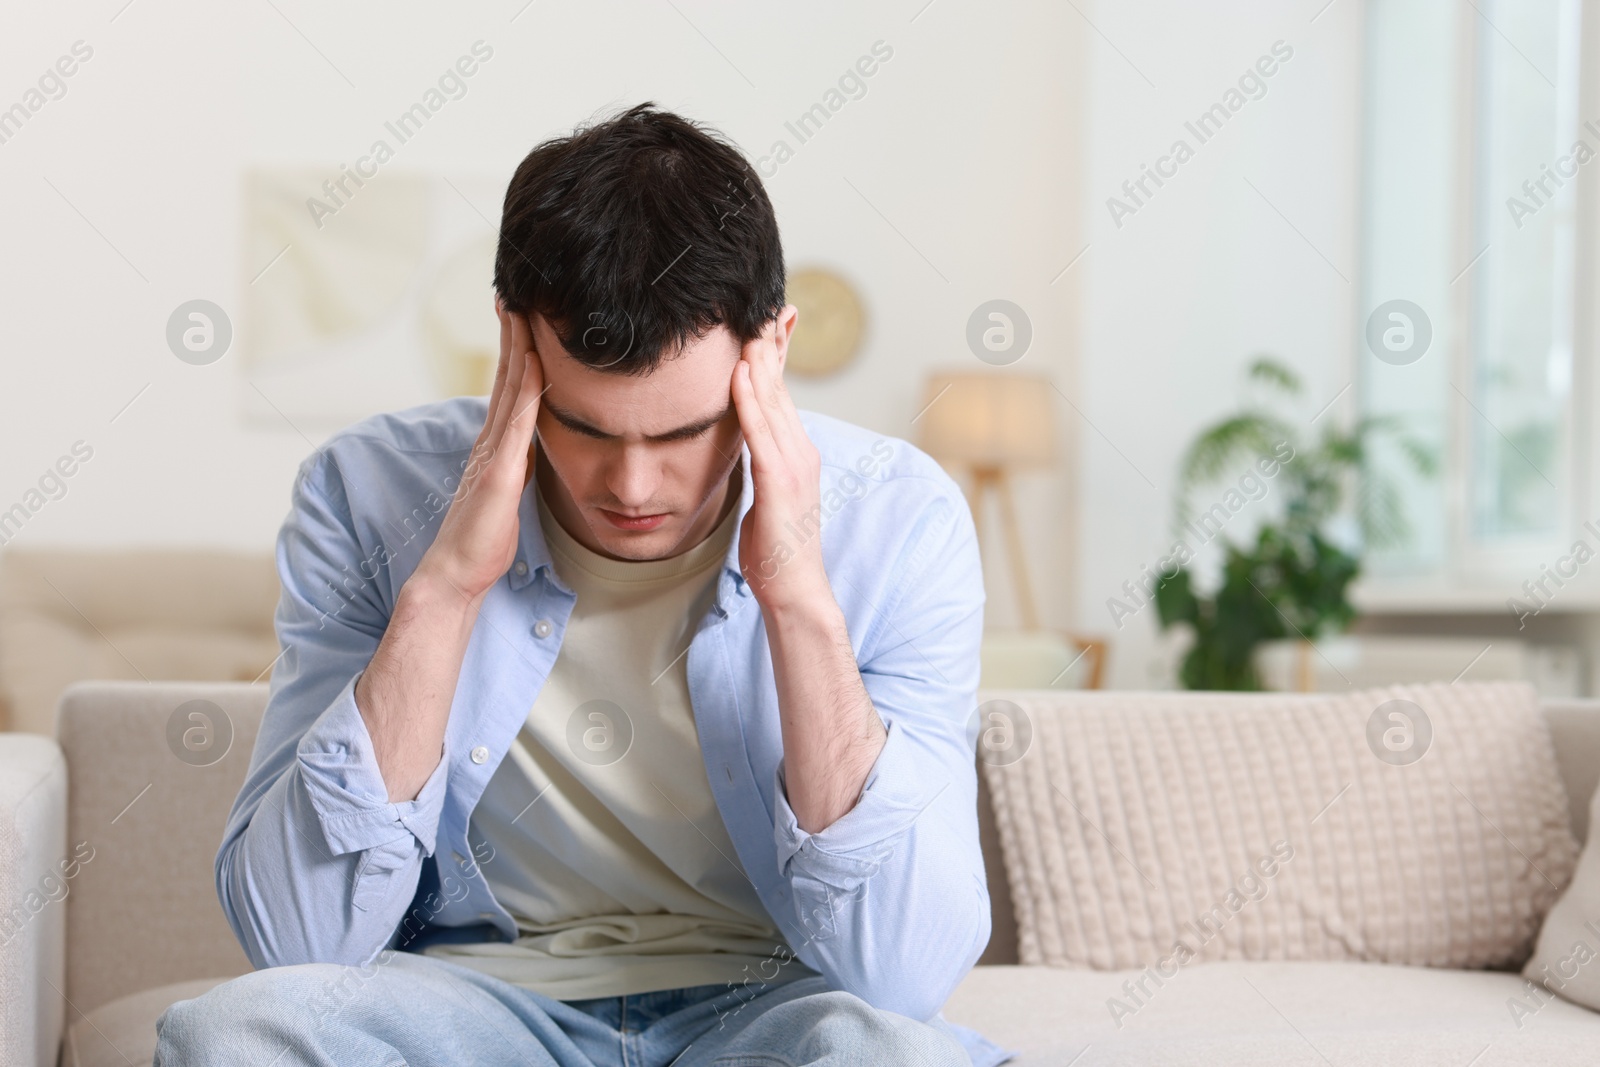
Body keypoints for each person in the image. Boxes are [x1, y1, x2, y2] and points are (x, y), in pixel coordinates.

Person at [154, 102, 1005, 1067]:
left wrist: (796, 591)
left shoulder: (898, 520)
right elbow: (296, 943)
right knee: (233, 1035)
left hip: (768, 1010)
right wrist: (446, 587)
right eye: (587, 426)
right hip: (475, 1006)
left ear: (770, 351)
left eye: (682, 432)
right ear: (517, 349)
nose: (632, 487)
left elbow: (903, 973)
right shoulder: (365, 493)